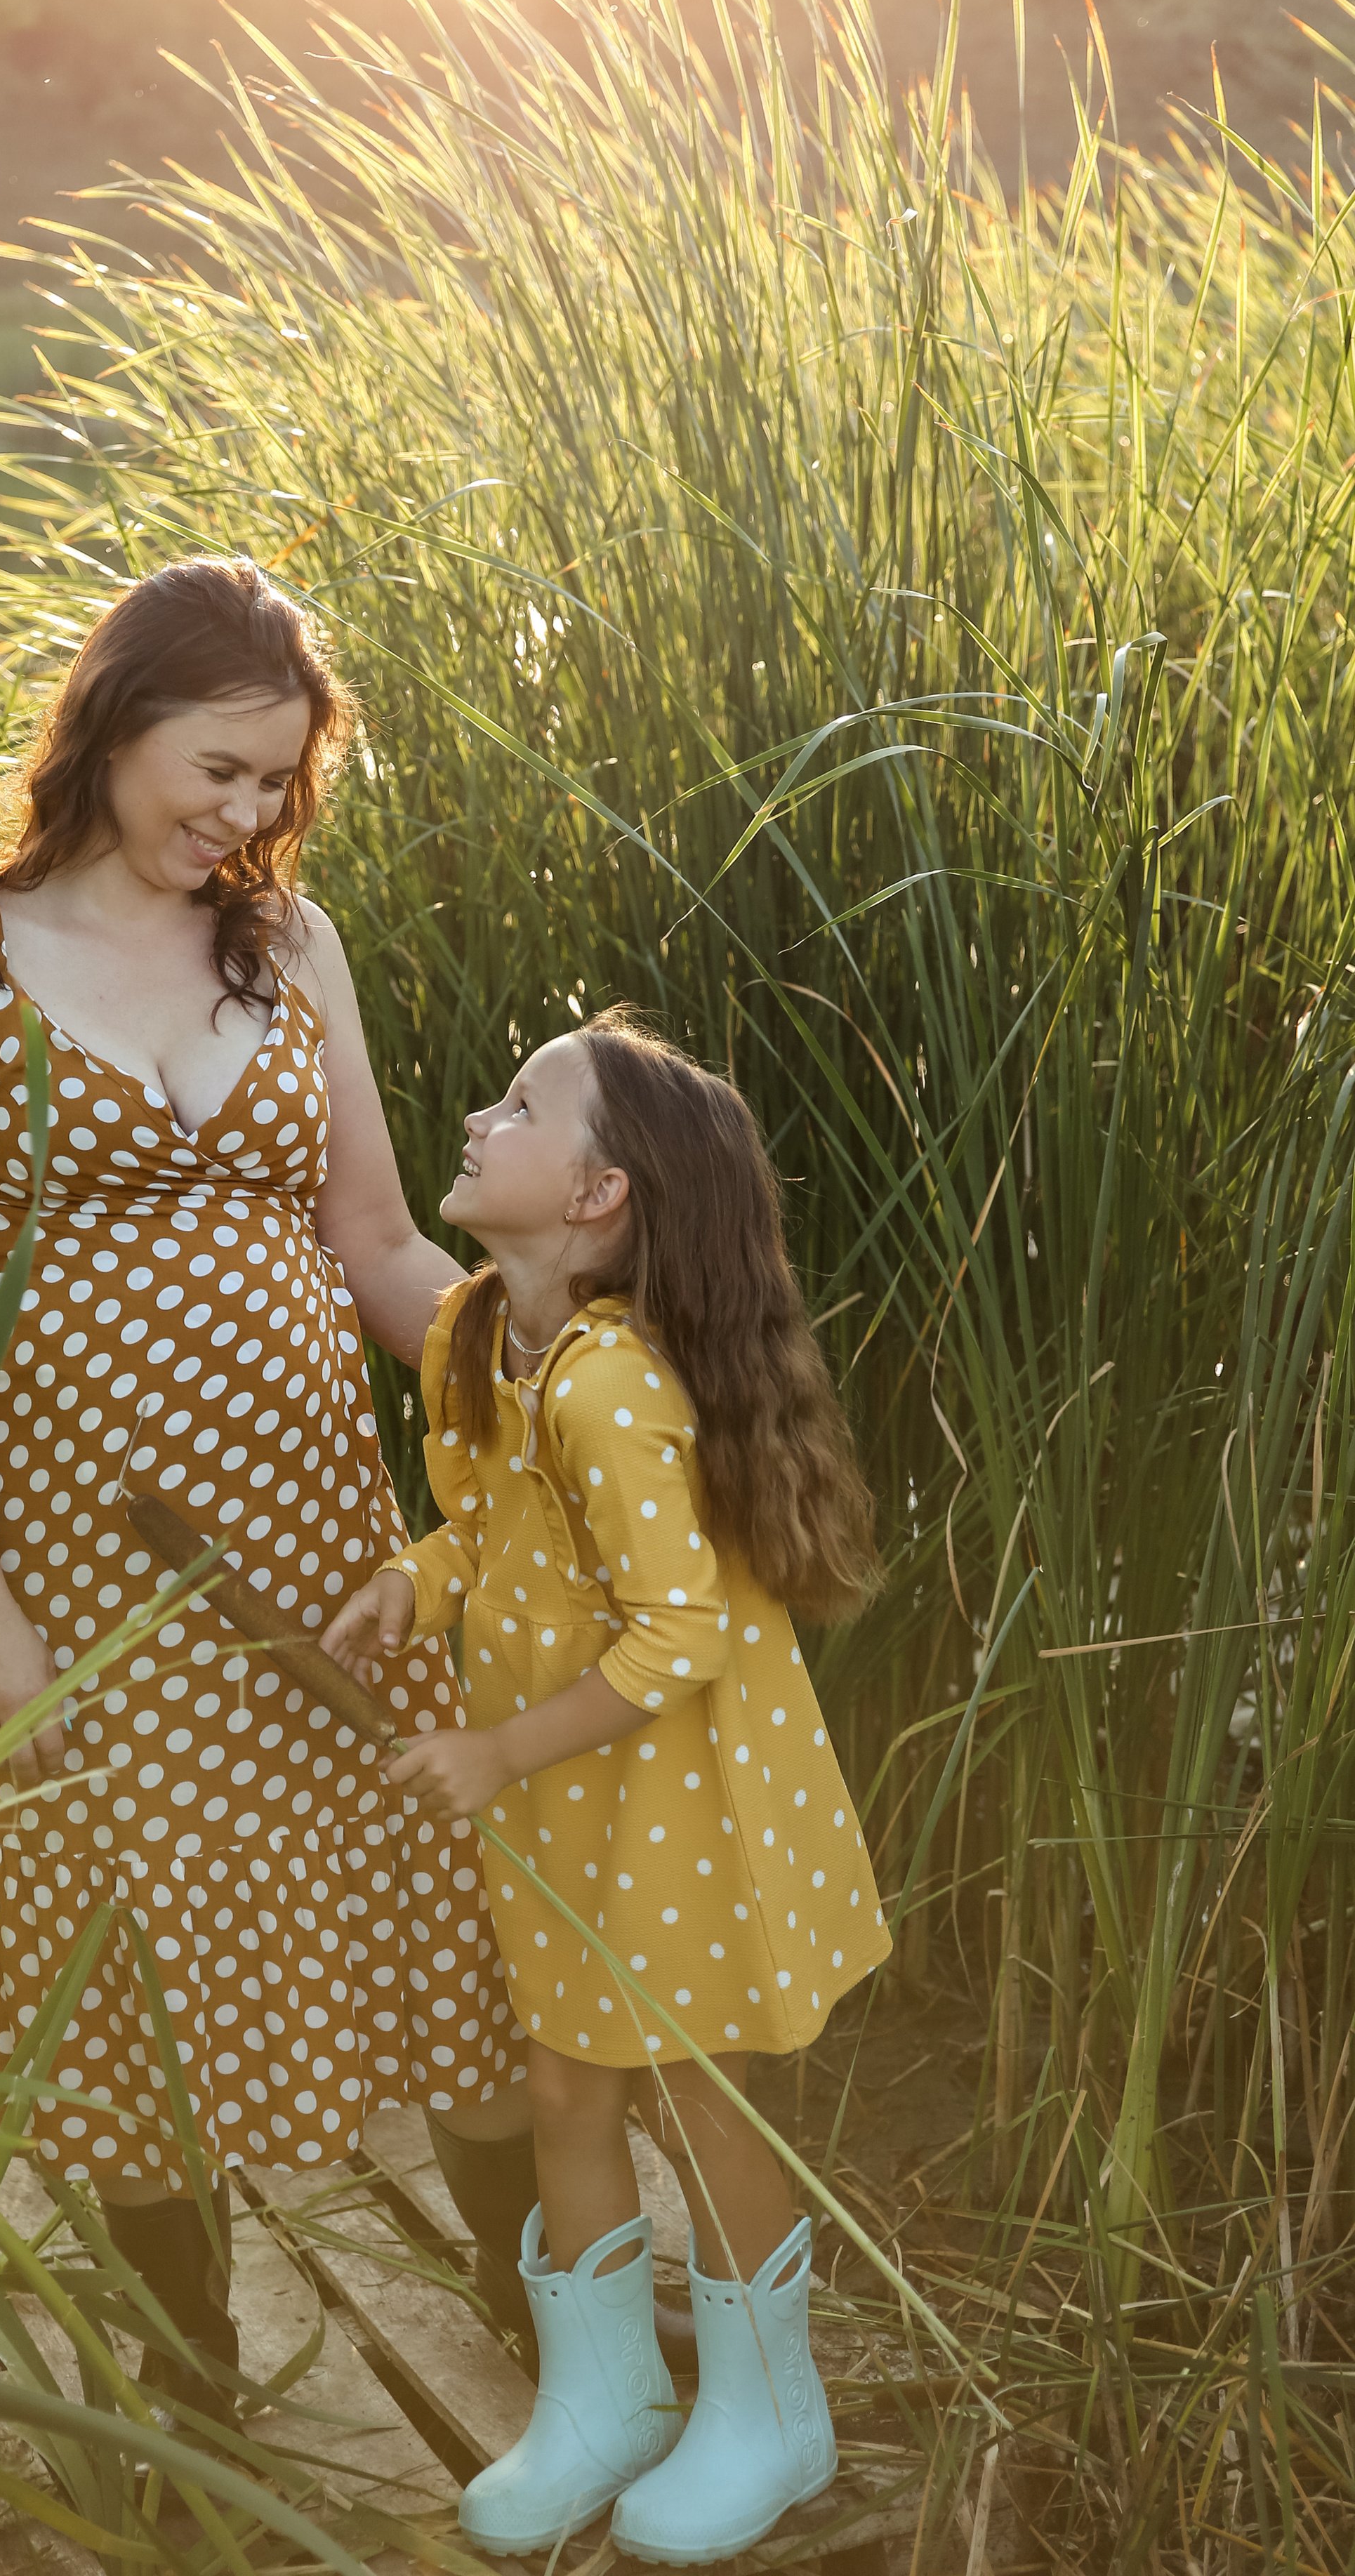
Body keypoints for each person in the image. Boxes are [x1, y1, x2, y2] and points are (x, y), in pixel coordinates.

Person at [0, 555, 525, 2416]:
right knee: (119, 1952)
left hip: (317, 1546)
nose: (242, 814)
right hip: (73, 1564)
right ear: (115, 723)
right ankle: (191, 2368)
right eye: (215, 769)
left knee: (436, 1913)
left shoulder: (285, 946)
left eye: (274, 783)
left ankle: (532, 2294)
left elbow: (376, 1243)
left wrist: (555, 1385)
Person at [322, 1007, 890, 2561]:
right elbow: (502, 1537)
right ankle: (606, 2402)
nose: (476, 1121)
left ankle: (771, 2416)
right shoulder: (487, 1343)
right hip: (577, 1801)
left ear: (595, 1196)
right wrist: (417, 1580)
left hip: (682, 1802)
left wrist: (495, 1749)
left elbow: (679, 1632)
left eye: (517, 1108)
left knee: (699, 2097)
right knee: (568, 2084)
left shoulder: (611, 1388)